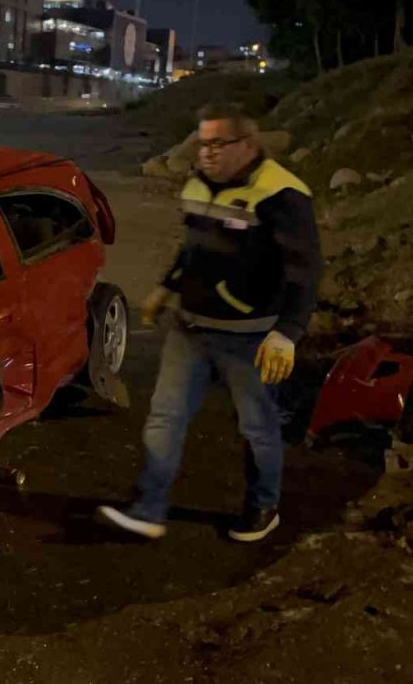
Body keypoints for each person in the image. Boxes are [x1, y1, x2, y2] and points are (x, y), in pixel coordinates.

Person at [98, 102, 323, 543]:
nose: (207, 152)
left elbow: (306, 270)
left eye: (218, 143)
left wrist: (287, 334)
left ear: (247, 144)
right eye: (203, 142)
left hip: (252, 336)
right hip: (191, 328)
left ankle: (263, 507)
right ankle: (149, 509)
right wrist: (169, 285)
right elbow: (194, 246)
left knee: (258, 427)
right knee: (165, 418)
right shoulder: (200, 184)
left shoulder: (282, 195)